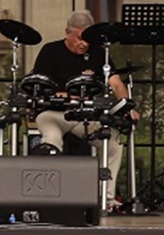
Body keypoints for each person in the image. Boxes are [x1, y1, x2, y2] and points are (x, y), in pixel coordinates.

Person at [29, 10, 137, 209]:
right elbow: (40, 86)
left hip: (84, 115)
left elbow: (116, 83)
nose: (84, 44)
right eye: (79, 38)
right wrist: (64, 95)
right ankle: (49, 197)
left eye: (87, 39)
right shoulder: (50, 51)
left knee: (114, 144)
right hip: (53, 113)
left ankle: (106, 198)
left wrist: (127, 105)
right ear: (67, 32)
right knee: (52, 142)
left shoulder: (98, 52)